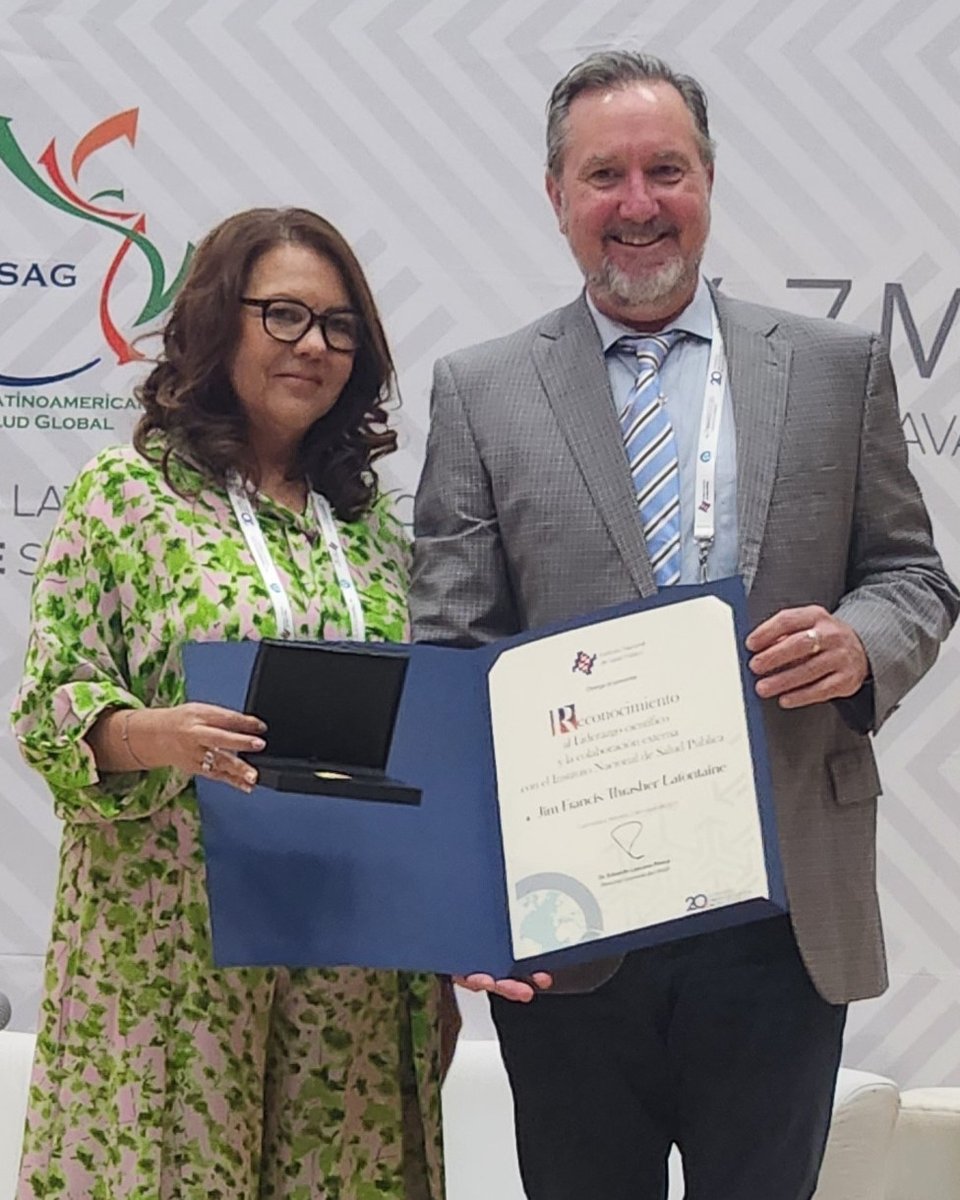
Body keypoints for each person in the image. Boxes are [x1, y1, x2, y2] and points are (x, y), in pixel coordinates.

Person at [410, 51, 959, 1200]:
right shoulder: (481, 389)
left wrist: (862, 641)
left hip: (782, 913)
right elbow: (449, 659)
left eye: (667, 168)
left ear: (709, 180)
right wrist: (463, 899)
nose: (638, 203)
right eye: (603, 173)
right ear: (555, 195)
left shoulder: (832, 368)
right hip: (570, 926)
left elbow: (911, 575)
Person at [13, 207, 452, 1200]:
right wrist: (149, 735)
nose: (314, 346)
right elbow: (46, 706)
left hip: (351, 967)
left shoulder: (374, 525)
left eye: (340, 327)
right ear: (220, 319)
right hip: (170, 958)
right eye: (285, 315)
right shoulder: (128, 496)